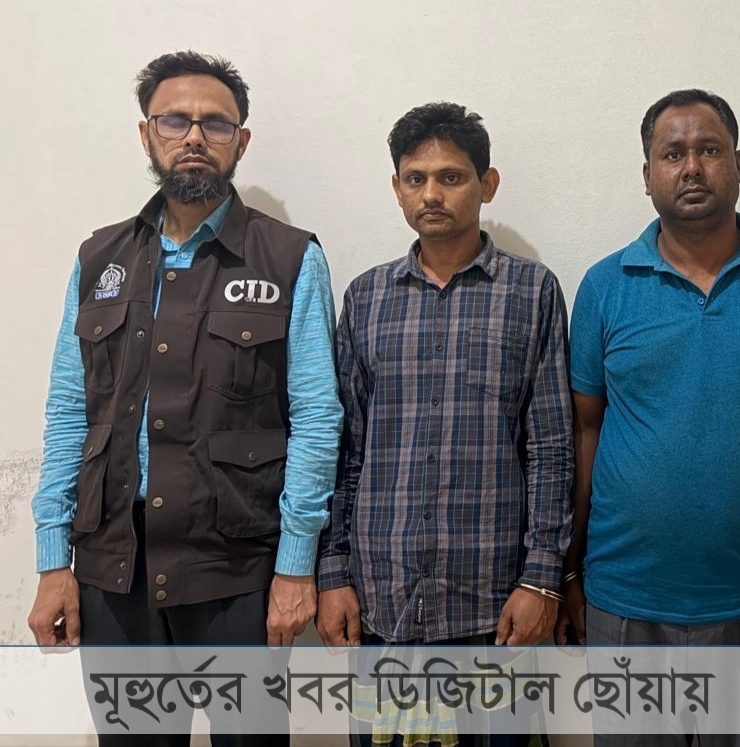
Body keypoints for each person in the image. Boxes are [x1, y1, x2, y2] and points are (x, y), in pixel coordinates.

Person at [26, 50, 343, 746]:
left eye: (215, 123)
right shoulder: (98, 260)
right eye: (175, 120)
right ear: (147, 134)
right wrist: (53, 559)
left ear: (241, 142)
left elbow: (318, 418)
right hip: (113, 567)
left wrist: (295, 567)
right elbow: (70, 413)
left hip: (235, 570)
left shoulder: (290, 257)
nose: (194, 136)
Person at [562, 88, 740, 746]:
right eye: (673, 153)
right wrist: (568, 575)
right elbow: (583, 432)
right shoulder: (605, 286)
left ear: (739, 164)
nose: (692, 166)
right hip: (626, 599)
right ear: (647, 174)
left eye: (710, 150)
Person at [316, 101, 573, 747]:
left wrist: (541, 577)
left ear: (487, 184)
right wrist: (333, 573)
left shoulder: (532, 292)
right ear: (398, 187)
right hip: (382, 603)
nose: (431, 193)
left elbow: (549, 448)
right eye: (416, 178)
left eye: (451, 177)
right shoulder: (366, 298)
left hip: (494, 603)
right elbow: (346, 450)